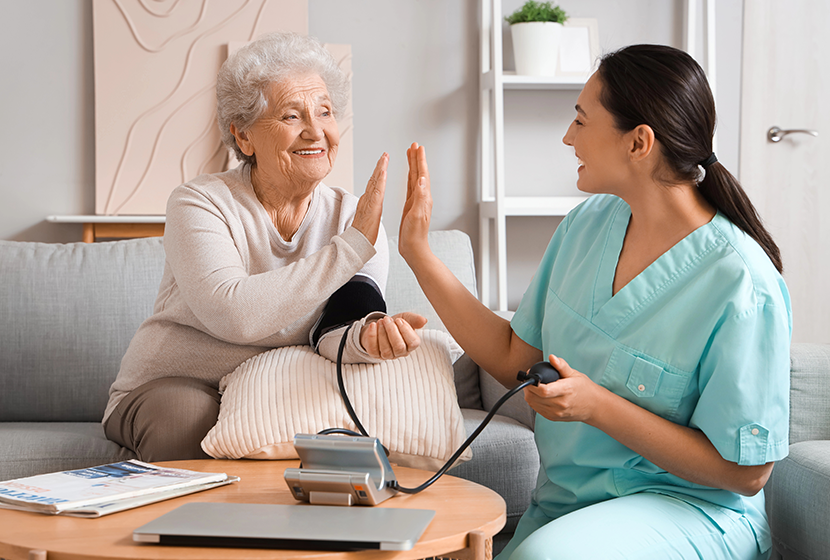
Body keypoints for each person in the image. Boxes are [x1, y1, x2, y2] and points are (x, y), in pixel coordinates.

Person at [399, 44, 790, 559]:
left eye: (581, 120)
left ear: (639, 142)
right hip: (567, 510)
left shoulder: (741, 283)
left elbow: (747, 472)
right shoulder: (585, 227)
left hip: (689, 511)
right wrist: (418, 251)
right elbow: (514, 357)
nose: (568, 136)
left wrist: (597, 407)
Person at [103, 32, 425, 462]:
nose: (316, 131)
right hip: (174, 385)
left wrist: (368, 338)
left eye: (325, 112)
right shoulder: (200, 202)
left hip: (277, 390)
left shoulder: (353, 216)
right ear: (244, 137)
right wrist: (350, 248)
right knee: (188, 416)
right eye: (292, 115)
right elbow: (233, 314)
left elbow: (335, 330)